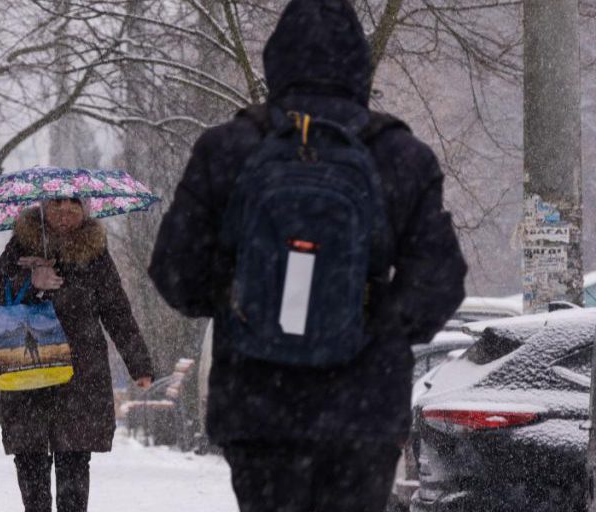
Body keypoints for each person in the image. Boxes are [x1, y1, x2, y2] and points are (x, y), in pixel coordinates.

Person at [147, 1, 467, 511]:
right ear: (360, 64)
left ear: (277, 59)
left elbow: (173, 271)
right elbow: (441, 282)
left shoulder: (228, 149)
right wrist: (371, 326)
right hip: (360, 410)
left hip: (258, 406)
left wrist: (244, 300)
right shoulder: (401, 157)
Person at [0, 198, 154, 512]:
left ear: (83, 212)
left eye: (72, 209)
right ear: (43, 210)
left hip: (80, 372)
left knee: (74, 456)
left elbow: (116, 310)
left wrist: (139, 364)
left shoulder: (94, 252)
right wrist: (30, 282)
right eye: (56, 208)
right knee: (30, 457)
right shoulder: (21, 245)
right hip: (28, 372)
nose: (64, 216)